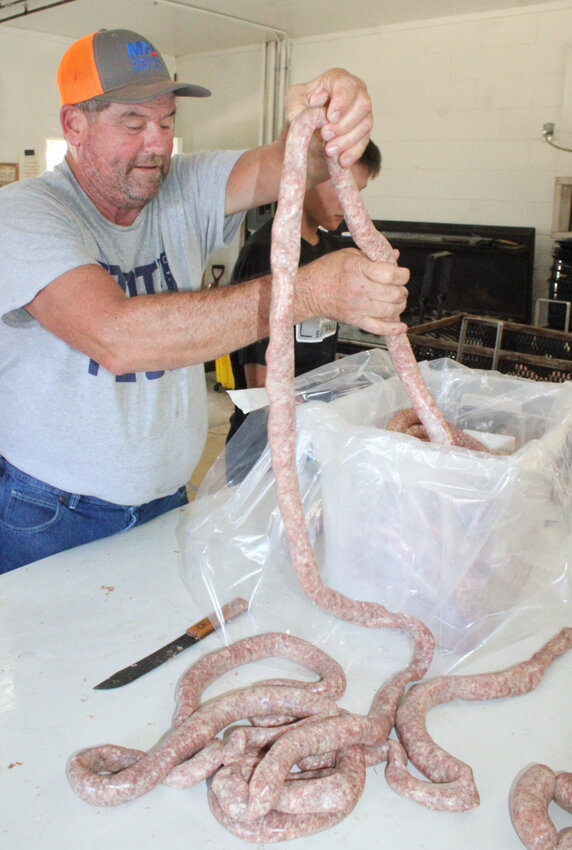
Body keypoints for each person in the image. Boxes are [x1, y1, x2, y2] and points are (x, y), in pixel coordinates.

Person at [0, 28, 409, 572]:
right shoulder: (23, 214)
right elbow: (117, 338)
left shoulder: (181, 187)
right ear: (74, 125)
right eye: (133, 123)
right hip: (53, 513)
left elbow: (298, 164)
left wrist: (329, 112)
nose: (157, 142)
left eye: (167, 122)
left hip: (167, 499)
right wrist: (309, 291)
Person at [226, 140, 382, 443]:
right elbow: (259, 382)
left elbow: (324, 350)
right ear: (308, 177)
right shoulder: (269, 252)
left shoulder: (328, 253)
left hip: (312, 428)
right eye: (342, 190)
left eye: (357, 195)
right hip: (268, 437)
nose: (350, 206)